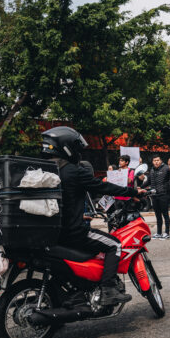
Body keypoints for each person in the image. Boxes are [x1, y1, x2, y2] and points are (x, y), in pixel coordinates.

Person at [41, 126, 145, 305]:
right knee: (114, 245)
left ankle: (80, 290)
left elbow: (59, 203)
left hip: (54, 233)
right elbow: (104, 187)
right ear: (67, 148)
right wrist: (133, 192)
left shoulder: (47, 171)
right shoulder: (74, 171)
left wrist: (80, 216)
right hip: (73, 233)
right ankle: (108, 290)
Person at [141, 155, 170, 239]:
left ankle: (167, 233)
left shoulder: (166, 168)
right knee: (157, 215)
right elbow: (148, 181)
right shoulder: (152, 170)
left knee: (165, 214)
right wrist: (141, 187)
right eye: (154, 160)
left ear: (161, 161)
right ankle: (159, 232)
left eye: (158, 160)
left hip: (164, 195)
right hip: (154, 195)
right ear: (152, 162)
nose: (156, 162)